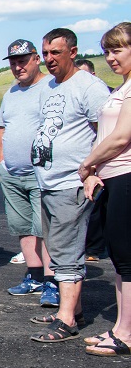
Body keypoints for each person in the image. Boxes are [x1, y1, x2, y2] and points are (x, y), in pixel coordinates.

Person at [28, 28, 111, 343]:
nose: (49, 59)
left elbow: (104, 132)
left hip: (71, 183)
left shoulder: (89, 87)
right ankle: (71, 309)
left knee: (68, 251)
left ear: (73, 52)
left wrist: (91, 170)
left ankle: (67, 321)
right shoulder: (50, 86)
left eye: (56, 53)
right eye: (46, 53)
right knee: (57, 249)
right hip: (49, 182)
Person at [78, 22, 131, 356]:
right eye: (107, 51)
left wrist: (86, 164)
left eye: (118, 49)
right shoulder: (122, 88)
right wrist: (95, 169)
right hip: (112, 178)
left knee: (127, 261)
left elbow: (122, 136)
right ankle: (121, 327)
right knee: (121, 260)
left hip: (126, 177)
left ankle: (126, 333)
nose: (111, 57)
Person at [0, 40, 56, 304]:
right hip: (12, 172)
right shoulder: (10, 93)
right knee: (22, 226)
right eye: (13, 62)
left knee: (45, 228)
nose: (18, 67)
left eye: (23, 60)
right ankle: (34, 276)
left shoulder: (51, 87)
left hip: (41, 172)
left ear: (36, 59)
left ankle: (52, 280)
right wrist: (1, 160)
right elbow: (1, 128)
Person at [75, 59, 110, 262]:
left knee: (97, 208)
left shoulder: (108, 95)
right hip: (85, 164)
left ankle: (95, 248)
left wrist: (92, 162)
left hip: (101, 161)